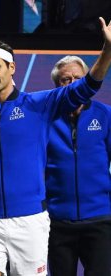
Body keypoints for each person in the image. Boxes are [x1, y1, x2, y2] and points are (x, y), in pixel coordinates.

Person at [0, 17, 111, 276]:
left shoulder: (38, 105)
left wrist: (108, 51)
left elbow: (87, 87)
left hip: (29, 224)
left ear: (11, 67)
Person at [46, 55, 111, 275]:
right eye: (66, 80)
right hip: (58, 223)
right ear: (57, 86)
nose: (73, 84)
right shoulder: (46, 119)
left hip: (100, 220)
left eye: (78, 78)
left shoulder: (105, 115)